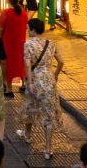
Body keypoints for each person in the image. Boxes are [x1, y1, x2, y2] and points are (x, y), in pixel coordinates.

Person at [16, 18, 64, 160]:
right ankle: (48, 148)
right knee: (48, 113)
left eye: (28, 28)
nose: (27, 30)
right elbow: (61, 62)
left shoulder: (28, 44)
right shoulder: (51, 43)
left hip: (36, 80)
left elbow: (28, 65)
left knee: (30, 107)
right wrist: (55, 75)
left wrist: (29, 83)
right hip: (49, 81)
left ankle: (27, 134)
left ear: (33, 30)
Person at [0, 0, 28, 98]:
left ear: (8, 0)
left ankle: (9, 89)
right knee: (21, 62)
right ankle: (24, 85)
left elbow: (0, 29)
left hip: (8, 43)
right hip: (21, 42)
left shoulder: (5, 13)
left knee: (8, 64)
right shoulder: (24, 13)